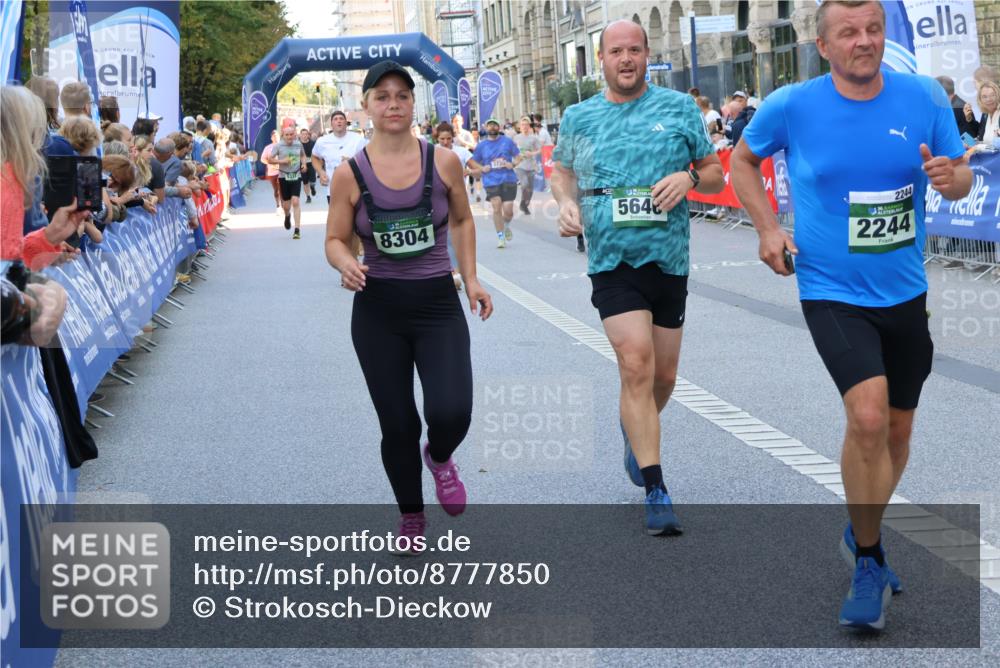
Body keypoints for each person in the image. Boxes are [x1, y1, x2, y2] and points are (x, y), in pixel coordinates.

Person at [730, 0, 972, 632]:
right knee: (866, 417)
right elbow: (742, 162)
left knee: (897, 432)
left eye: (873, 30)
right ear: (823, 45)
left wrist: (950, 180)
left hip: (904, 291)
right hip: (830, 288)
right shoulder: (793, 105)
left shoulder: (923, 96)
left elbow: (961, 178)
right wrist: (767, 228)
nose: (864, 41)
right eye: (849, 32)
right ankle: (868, 559)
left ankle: (862, 524)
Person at [550, 19, 723, 536]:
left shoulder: (678, 109)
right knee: (635, 362)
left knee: (662, 377)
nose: (625, 59)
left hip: (668, 259)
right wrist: (565, 204)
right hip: (611, 260)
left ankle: (635, 424)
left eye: (633, 50)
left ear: (647, 54)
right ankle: (656, 487)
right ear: (600, 60)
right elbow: (562, 173)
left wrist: (688, 177)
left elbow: (713, 171)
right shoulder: (579, 116)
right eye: (615, 51)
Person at [324, 60, 493, 551]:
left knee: (452, 411)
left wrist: (471, 278)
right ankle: (412, 515)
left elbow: (462, 220)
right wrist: (345, 263)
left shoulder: (444, 161)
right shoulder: (349, 173)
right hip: (378, 311)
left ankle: (438, 458)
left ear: (413, 104)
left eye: (402, 95)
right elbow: (334, 239)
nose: (393, 104)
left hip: (437, 302)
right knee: (397, 423)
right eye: (382, 96)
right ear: (366, 106)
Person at [467, 118, 520, 248]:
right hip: (491, 180)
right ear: (486, 128)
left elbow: (519, 156)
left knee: (508, 211)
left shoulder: (507, 141)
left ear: (499, 127)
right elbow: (473, 162)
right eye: (490, 125)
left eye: (495, 125)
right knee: (496, 207)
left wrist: (512, 164)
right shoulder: (481, 146)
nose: (492, 127)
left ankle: (506, 225)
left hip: (508, 179)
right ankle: (500, 237)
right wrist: (482, 168)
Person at [434, 121, 472, 290]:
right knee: (447, 235)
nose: (445, 142)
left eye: (448, 138)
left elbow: (476, 168)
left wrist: (470, 171)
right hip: (439, 198)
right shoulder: (431, 152)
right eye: (442, 139)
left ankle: (457, 271)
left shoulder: (461, 152)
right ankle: (453, 272)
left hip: (459, 198)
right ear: (437, 138)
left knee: (458, 235)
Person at [312, 110, 367, 205]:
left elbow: (369, 158)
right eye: (335, 119)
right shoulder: (322, 141)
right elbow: (315, 157)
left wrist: (353, 162)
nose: (339, 121)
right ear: (331, 124)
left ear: (346, 123)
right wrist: (321, 172)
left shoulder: (358, 139)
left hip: (355, 188)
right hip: (333, 190)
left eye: (341, 119)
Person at [267, 124, 307, 238]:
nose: (289, 137)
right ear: (283, 135)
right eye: (287, 135)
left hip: (296, 175)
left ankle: (297, 230)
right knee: (286, 205)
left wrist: (304, 164)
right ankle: (287, 215)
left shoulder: (298, 144)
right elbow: (269, 159)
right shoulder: (278, 146)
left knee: (296, 201)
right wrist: (282, 161)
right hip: (283, 177)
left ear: (295, 134)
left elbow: (303, 156)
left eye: (291, 134)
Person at [513, 116, 542, 216]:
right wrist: (516, 155)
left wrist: (532, 153)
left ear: (529, 126)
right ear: (520, 127)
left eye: (526, 125)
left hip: (531, 166)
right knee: (524, 184)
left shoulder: (533, 138)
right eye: (522, 125)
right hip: (520, 165)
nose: (524, 127)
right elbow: (511, 149)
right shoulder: (516, 138)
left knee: (530, 189)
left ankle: (524, 204)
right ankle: (523, 203)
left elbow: (540, 149)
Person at [259, 130, 281, 210]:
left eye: (277, 136)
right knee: (276, 190)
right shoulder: (268, 148)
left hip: (283, 171)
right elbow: (262, 159)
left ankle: (283, 206)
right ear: (271, 138)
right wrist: (269, 163)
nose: (276, 138)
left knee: (282, 189)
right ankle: (278, 205)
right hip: (272, 172)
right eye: (274, 136)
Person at [299, 127, 317, 203]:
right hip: (302, 165)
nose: (304, 136)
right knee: (305, 182)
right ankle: (308, 197)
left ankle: (312, 187)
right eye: (303, 134)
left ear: (308, 135)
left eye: (306, 134)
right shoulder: (298, 144)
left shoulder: (313, 143)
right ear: (300, 135)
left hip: (311, 164)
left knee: (313, 180)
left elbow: (316, 153)